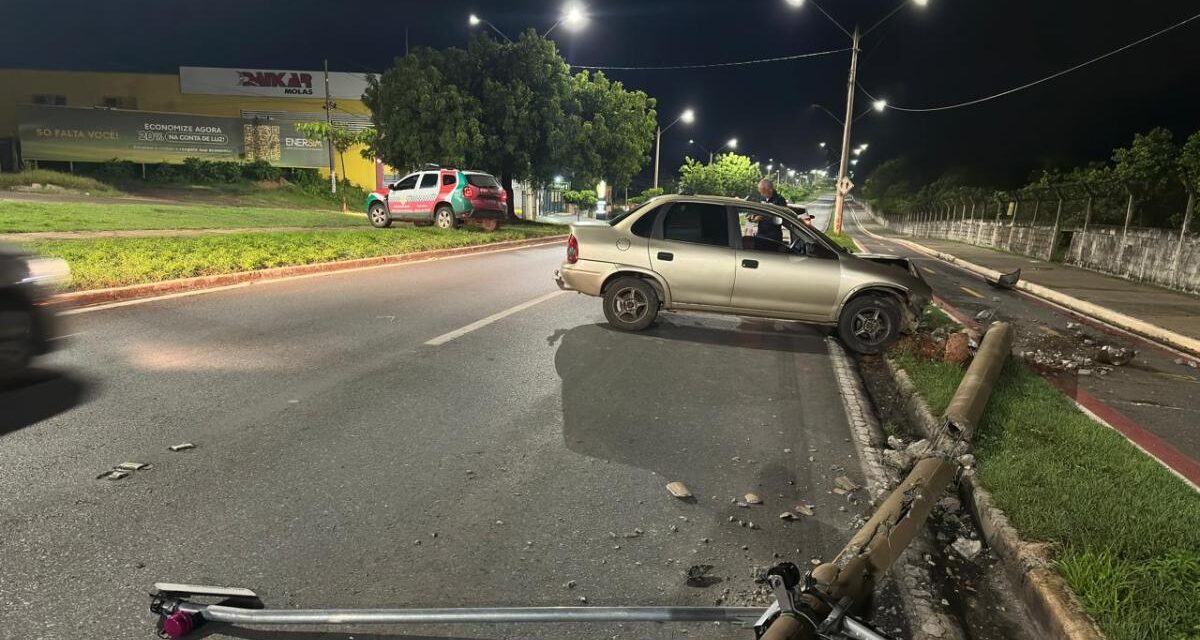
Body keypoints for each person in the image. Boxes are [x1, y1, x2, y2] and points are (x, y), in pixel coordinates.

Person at [749, 178, 786, 246]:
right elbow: (755, 211)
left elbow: (780, 219)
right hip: (760, 235)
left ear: (770, 189)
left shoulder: (780, 200)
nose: (761, 194)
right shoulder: (761, 199)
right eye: (760, 192)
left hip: (773, 237)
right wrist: (753, 216)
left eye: (763, 192)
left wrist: (763, 217)